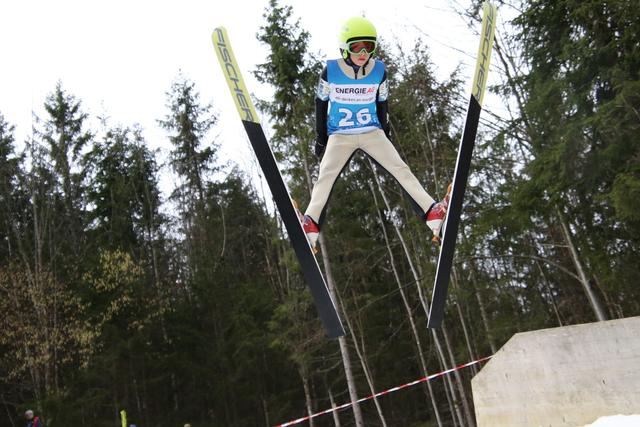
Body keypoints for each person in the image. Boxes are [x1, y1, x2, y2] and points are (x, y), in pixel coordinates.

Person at [302, 16, 450, 249]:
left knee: (400, 168)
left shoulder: (379, 71)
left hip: (371, 131)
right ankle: (310, 225)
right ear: (344, 48)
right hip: (340, 134)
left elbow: (383, 103)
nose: (363, 52)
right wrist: (321, 138)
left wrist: (386, 133)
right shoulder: (330, 71)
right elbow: (320, 105)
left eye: (369, 46)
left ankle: (432, 213)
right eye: (356, 47)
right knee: (325, 175)